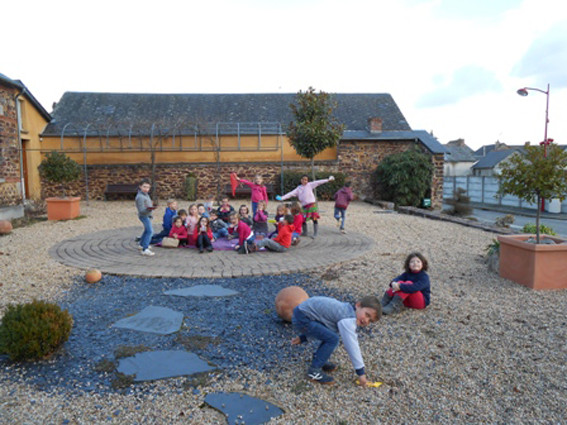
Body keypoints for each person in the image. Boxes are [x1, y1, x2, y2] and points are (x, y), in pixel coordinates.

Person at [291, 295, 381, 386]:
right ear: (358, 305)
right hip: (302, 317)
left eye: (370, 320)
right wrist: (361, 374)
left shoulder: (346, 310)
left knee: (330, 335)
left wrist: (303, 337)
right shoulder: (348, 319)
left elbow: (325, 324)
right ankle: (314, 371)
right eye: (367, 315)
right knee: (333, 339)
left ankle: (320, 359)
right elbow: (352, 346)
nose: (366, 320)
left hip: (303, 314)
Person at [135, 179, 156, 256]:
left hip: (147, 215)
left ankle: (141, 244)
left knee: (147, 230)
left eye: (148, 187)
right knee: (150, 231)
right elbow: (141, 210)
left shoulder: (145, 194)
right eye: (144, 187)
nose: (146, 189)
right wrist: (149, 209)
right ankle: (145, 249)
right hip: (144, 216)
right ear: (140, 186)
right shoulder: (140, 197)